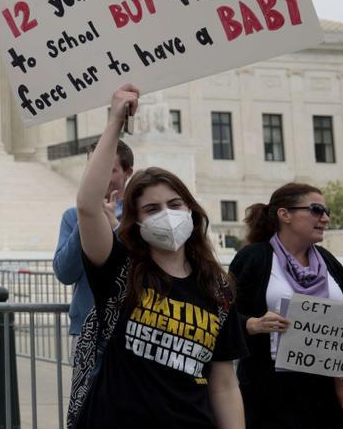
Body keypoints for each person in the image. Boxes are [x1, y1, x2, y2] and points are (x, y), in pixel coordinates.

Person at [69, 85, 246, 429]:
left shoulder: (218, 289)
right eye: (152, 208)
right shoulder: (121, 268)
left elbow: (224, 384)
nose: (166, 214)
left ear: (190, 210)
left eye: (174, 204)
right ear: (137, 221)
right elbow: (87, 206)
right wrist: (114, 122)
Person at [229, 183, 343, 429]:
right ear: (284, 214)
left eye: (326, 211)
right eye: (316, 210)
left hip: (332, 397)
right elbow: (225, 316)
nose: (325, 218)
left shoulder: (329, 261)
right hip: (273, 398)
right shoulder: (254, 259)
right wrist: (253, 324)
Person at [53, 139, 133, 339]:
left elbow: (136, 267)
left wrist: (114, 225)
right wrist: (87, 216)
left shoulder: (138, 215)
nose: (101, 176)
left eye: (111, 170)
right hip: (87, 330)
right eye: (95, 168)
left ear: (128, 173)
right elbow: (65, 273)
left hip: (131, 328)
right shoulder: (72, 217)